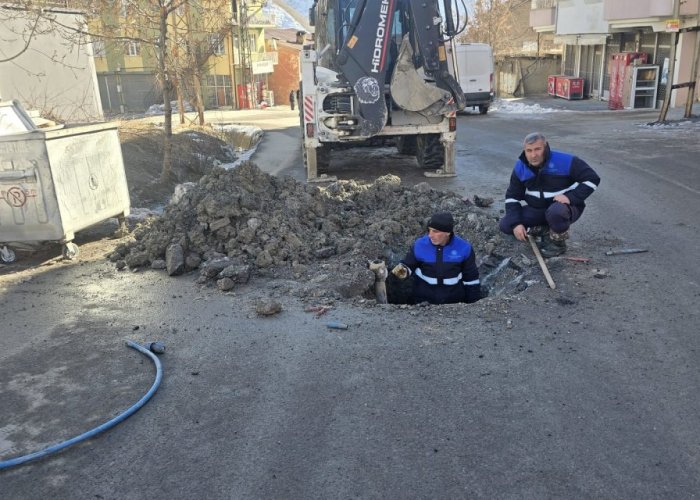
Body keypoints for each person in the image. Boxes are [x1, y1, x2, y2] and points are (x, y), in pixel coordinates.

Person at [499, 132, 600, 257]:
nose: (533, 155)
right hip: (539, 210)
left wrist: (570, 197)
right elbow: (512, 197)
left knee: (556, 212)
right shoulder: (521, 167)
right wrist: (516, 223)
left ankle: (558, 243)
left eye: (537, 149)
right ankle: (545, 231)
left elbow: (592, 179)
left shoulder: (565, 161)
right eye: (529, 150)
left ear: (545, 147)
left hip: (564, 209)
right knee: (506, 224)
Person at [392, 212, 481, 305]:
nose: (430, 235)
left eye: (435, 231)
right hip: (422, 305)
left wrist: (474, 305)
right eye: (429, 230)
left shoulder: (464, 248)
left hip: (454, 306)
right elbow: (407, 266)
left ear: (447, 233)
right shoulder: (420, 245)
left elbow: (471, 280)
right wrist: (393, 275)